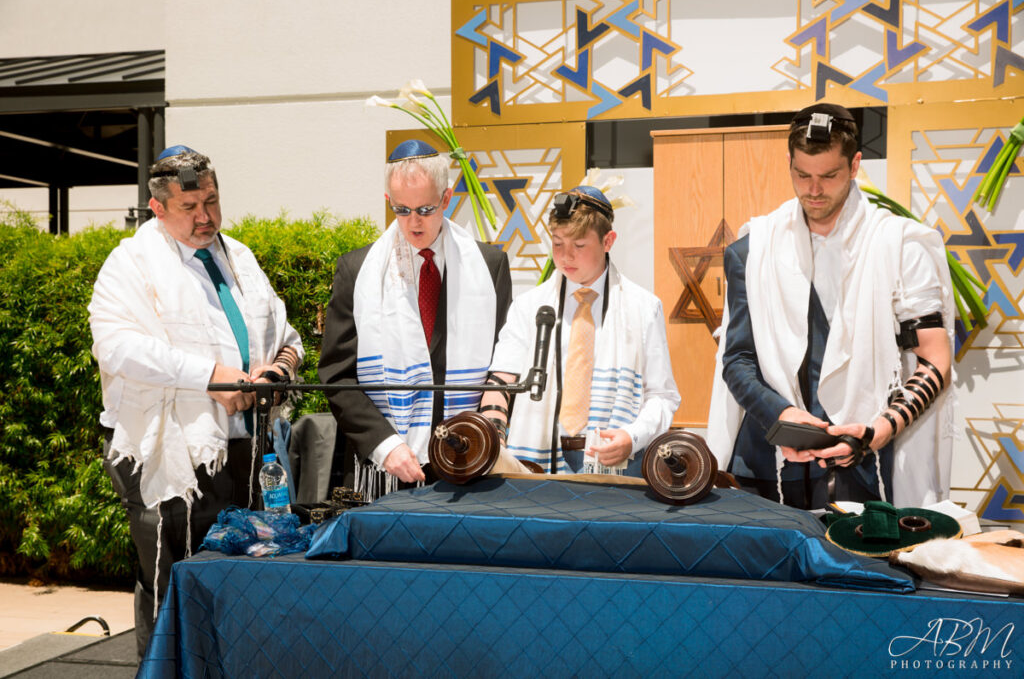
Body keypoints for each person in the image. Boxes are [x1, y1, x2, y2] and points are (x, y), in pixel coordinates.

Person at [88, 145, 303, 658]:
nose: (205, 216)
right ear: (157, 208)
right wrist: (209, 377)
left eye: (212, 201)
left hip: (250, 450)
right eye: (190, 207)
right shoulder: (130, 264)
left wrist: (276, 371)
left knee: (244, 578)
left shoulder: (240, 256)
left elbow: (287, 334)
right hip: (171, 456)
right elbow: (117, 347)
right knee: (173, 584)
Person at [707, 103, 955, 510]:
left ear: (855, 165)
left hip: (865, 464)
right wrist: (780, 414)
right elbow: (737, 358)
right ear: (789, 162)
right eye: (801, 175)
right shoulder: (754, 249)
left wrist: (878, 430)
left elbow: (934, 359)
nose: (813, 189)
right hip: (766, 465)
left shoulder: (899, 246)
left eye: (829, 175)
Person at [318, 139, 512, 497]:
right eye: (401, 210)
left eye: (424, 208)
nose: (413, 222)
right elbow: (336, 375)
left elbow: (504, 366)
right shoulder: (358, 270)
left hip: (470, 459)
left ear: (447, 198)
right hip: (388, 464)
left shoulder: (489, 266)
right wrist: (384, 444)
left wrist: (488, 430)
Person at [480, 186, 680, 475]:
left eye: (579, 245)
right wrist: (495, 432)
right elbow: (501, 380)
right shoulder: (530, 307)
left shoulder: (643, 308)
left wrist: (633, 436)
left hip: (616, 459)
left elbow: (663, 396)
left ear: (608, 241)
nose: (565, 257)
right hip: (536, 459)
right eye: (558, 243)